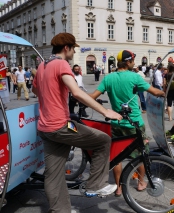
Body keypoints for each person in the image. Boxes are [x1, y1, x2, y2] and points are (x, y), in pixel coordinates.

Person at [32, 33, 122, 213]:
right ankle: (95, 185)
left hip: (45, 127)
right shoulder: (61, 64)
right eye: (74, 48)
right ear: (67, 48)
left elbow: (35, 89)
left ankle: (60, 210)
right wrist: (105, 111)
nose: (74, 52)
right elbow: (77, 93)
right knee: (103, 140)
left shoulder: (43, 65)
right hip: (61, 125)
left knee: (54, 174)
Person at [90, 49, 165, 197]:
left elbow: (92, 97)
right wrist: (165, 93)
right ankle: (141, 182)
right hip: (134, 123)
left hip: (116, 124)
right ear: (128, 62)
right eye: (132, 60)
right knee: (142, 154)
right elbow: (155, 92)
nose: (134, 63)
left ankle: (118, 187)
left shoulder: (108, 78)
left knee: (117, 157)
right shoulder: (134, 77)